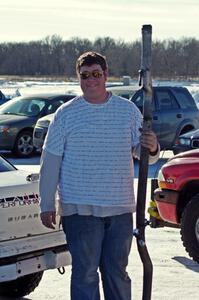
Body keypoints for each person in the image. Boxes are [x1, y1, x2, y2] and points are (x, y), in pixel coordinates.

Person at [39, 51, 159, 300]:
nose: (90, 80)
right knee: (85, 275)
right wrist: (47, 203)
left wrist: (153, 146)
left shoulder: (127, 112)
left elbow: (144, 153)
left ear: (106, 75)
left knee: (117, 273)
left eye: (96, 74)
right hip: (80, 212)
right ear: (78, 78)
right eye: (85, 76)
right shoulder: (66, 114)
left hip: (119, 210)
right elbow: (50, 162)